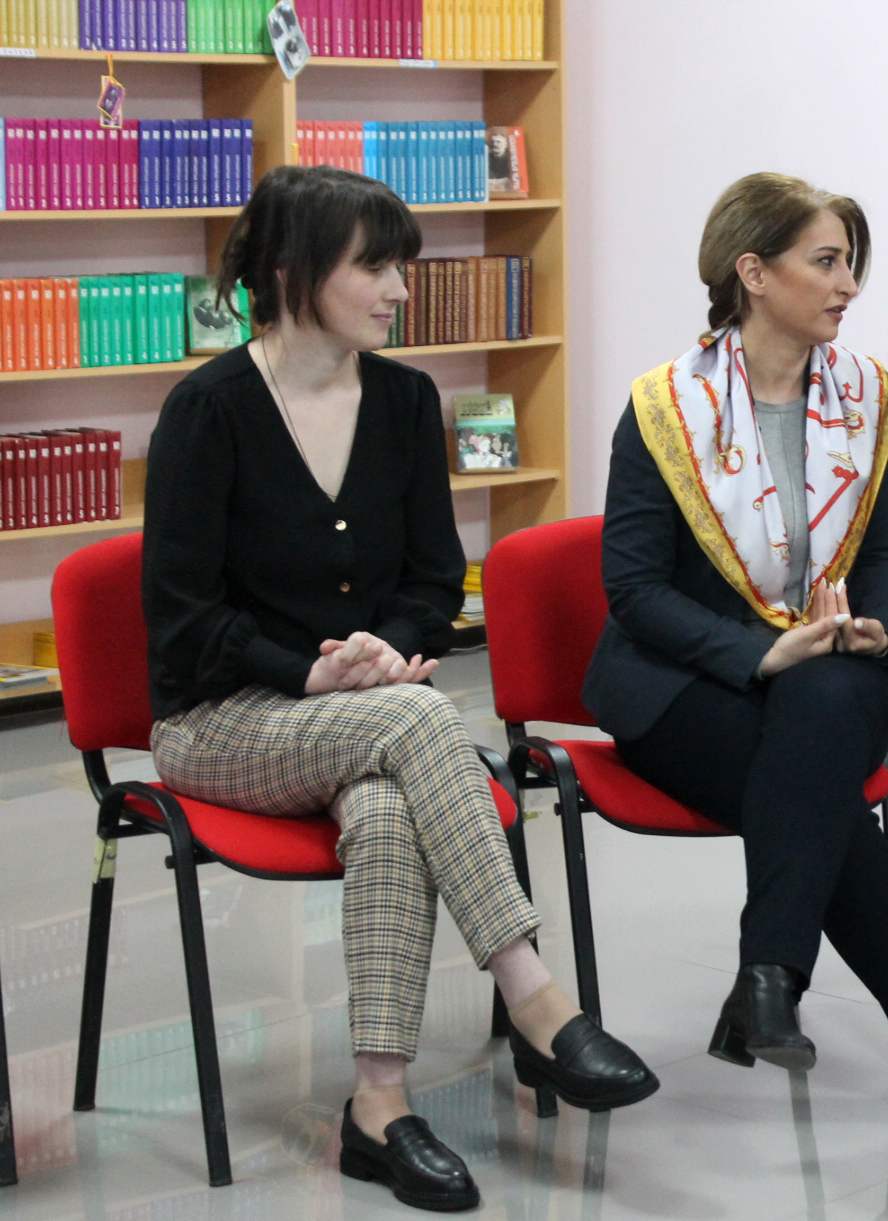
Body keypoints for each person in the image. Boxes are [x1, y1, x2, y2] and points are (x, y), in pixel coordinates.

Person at [142, 165, 658, 1212]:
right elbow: (183, 620)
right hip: (221, 722)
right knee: (422, 721)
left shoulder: (407, 401)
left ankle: (378, 1104)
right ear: (292, 274)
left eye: (401, 268)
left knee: (386, 808)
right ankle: (536, 1000)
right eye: (374, 267)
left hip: (368, 723)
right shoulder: (207, 410)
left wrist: (389, 644)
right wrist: (308, 671)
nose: (399, 290)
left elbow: (432, 580)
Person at [582, 172, 888, 1146]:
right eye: (827, 261)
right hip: (680, 685)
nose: (848, 284)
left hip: (832, 672)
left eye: (851, 263)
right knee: (821, 799)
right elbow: (634, 592)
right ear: (753, 272)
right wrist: (762, 654)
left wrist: (878, 626)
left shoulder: (867, 398)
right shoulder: (665, 407)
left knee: (824, 713)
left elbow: (881, 552)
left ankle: (769, 976)